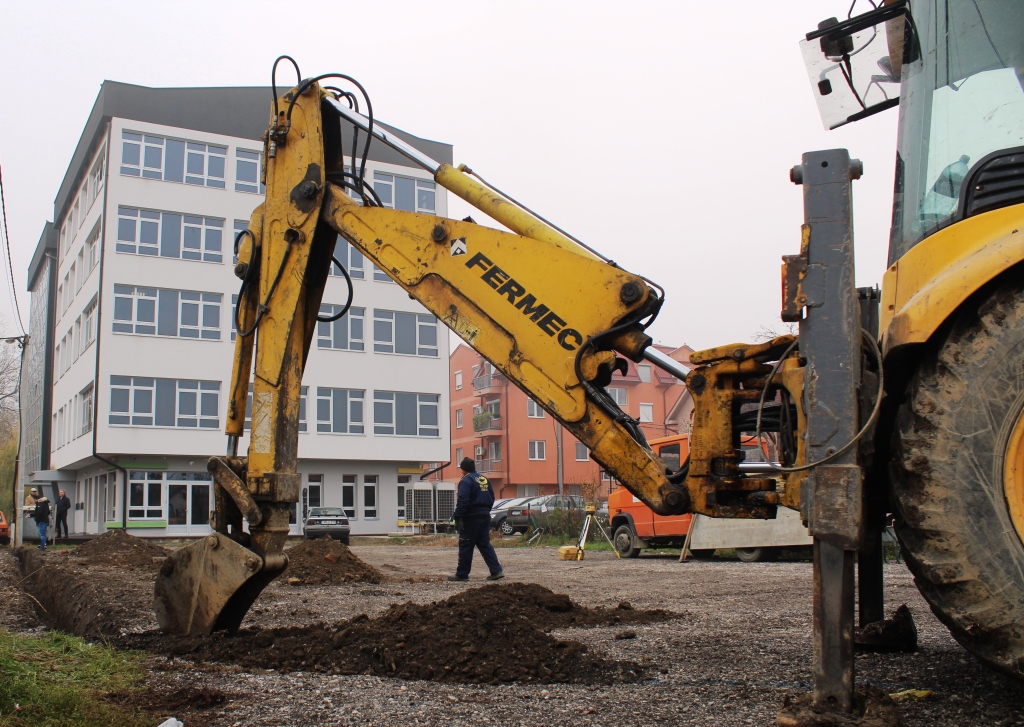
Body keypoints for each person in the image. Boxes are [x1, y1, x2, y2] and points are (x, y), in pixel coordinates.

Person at [449, 457, 503, 581]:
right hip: (484, 517)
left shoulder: (466, 481)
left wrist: (456, 517)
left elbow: (463, 501)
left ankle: (462, 574)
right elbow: (492, 497)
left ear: (463, 469)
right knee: (484, 544)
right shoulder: (484, 479)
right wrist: (485, 511)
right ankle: (496, 570)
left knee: (466, 545)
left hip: (471, 518)